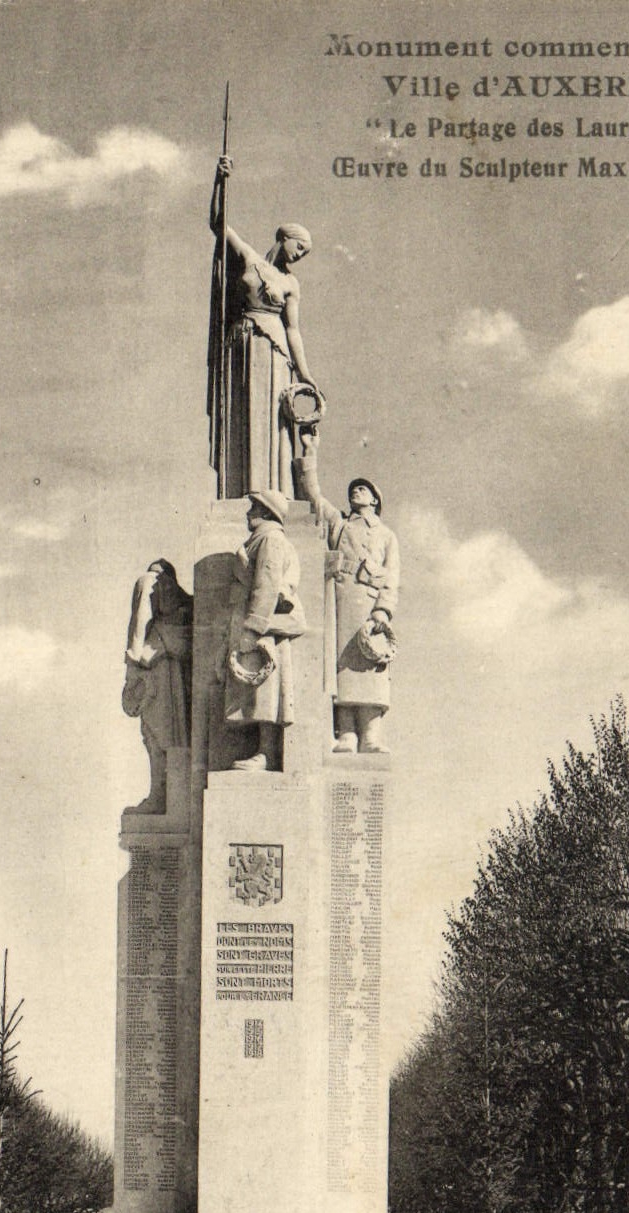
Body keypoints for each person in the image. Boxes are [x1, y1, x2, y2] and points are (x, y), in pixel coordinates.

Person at [208, 154, 322, 500]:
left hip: (275, 350)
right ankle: (239, 488)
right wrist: (220, 181)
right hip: (242, 343)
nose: (300, 255)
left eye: (305, 253)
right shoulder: (249, 258)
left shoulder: (291, 284)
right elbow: (218, 224)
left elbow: (293, 330)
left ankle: (273, 492)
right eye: (299, 247)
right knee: (242, 413)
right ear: (284, 238)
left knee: (271, 419)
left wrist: (305, 373)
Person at [294, 429, 400, 753]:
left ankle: (370, 735)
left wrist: (382, 610)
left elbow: (392, 575)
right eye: (354, 488)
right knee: (341, 669)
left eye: (363, 489)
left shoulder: (386, 535)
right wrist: (310, 451)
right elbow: (313, 495)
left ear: (375, 501)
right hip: (340, 603)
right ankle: (347, 734)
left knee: (370, 668)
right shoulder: (339, 524)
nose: (356, 491)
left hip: (369, 606)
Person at [221, 489, 306, 771]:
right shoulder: (260, 539)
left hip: (263, 629)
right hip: (253, 626)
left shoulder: (270, 539)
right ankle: (260, 750)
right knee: (254, 695)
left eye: (254, 508)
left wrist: (253, 629)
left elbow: (266, 584)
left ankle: (266, 753)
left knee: (265, 695)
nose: (249, 513)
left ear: (267, 512)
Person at [122, 559, 192, 812]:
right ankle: (165, 797)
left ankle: (160, 797)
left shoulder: (148, 581)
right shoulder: (184, 605)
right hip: (166, 663)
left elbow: (139, 623)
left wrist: (132, 662)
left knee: (156, 734)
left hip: (153, 665)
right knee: (165, 735)